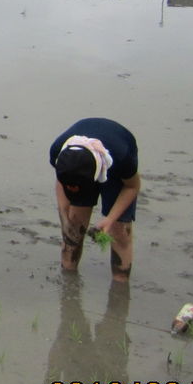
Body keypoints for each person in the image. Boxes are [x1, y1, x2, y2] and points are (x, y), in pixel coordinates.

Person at [50, 118, 141, 282]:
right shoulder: (59, 151)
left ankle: (120, 287)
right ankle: (69, 282)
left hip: (115, 168)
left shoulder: (122, 156)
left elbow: (132, 187)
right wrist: (64, 218)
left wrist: (109, 220)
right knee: (74, 225)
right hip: (79, 170)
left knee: (120, 231)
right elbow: (61, 181)